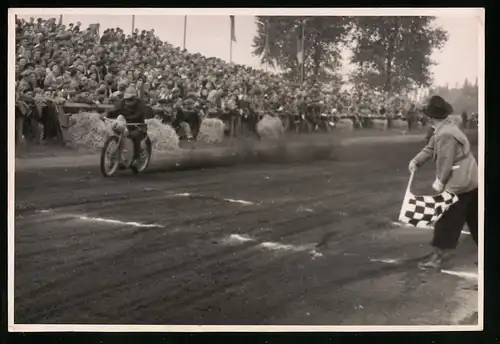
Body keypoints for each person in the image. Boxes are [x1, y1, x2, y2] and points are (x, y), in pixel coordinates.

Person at [408, 95, 478, 269]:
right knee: (476, 219)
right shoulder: (446, 127)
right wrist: (416, 161)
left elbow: (446, 160)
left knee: (446, 218)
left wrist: (440, 181)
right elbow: (430, 148)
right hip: (471, 179)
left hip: (459, 181)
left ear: (430, 116)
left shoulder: (445, 133)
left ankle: (440, 257)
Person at [101, 87, 152, 166]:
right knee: (114, 131)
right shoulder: (121, 102)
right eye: (127, 99)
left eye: (131, 99)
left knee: (135, 136)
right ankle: (116, 155)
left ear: (135, 98)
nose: (128, 102)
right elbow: (113, 110)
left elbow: (148, 111)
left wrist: (148, 113)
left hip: (137, 125)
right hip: (124, 124)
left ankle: (136, 158)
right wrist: (105, 115)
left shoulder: (140, 104)